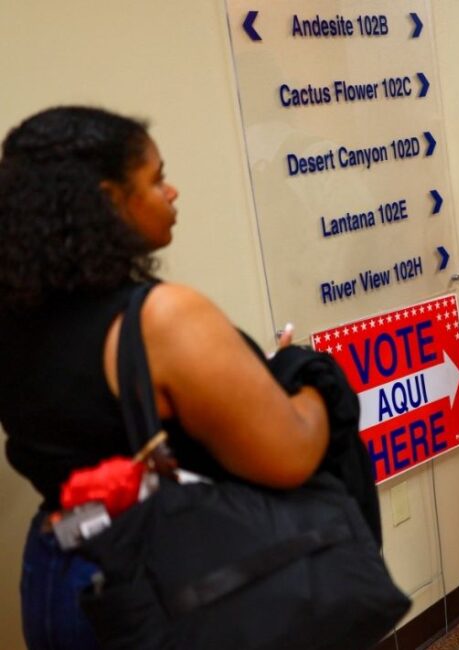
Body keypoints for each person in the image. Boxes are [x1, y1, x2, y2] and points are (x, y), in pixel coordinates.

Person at [0, 107, 332, 650]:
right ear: (109, 200)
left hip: (57, 575)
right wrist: (309, 379)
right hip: (155, 578)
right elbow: (291, 454)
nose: (172, 192)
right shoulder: (160, 318)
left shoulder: (15, 314)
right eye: (155, 179)